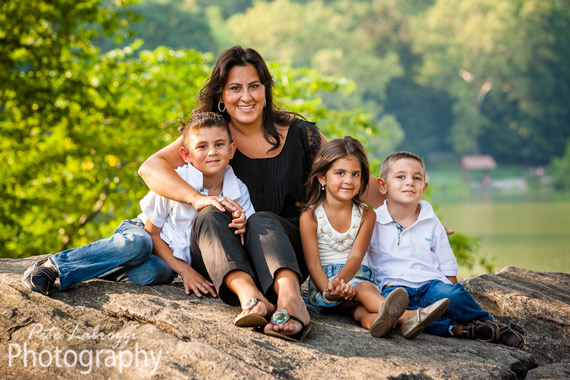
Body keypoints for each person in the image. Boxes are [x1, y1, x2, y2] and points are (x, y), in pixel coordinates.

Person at [138, 46, 388, 342]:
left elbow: (349, 179)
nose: (246, 97)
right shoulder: (213, 136)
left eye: (254, 86)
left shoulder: (301, 134)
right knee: (208, 213)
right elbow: (150, 168)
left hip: (287, 253)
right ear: (221, 96)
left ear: (266, 90)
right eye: (235, 88)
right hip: (222, 253)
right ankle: (251, 299)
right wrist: (197, 198)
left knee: (261, 220)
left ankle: (291, 302)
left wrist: (408, 206)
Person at [22, 113, 254, 300]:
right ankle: (52, 266)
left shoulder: (238, 189)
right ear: (186, 155)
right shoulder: (176, 181)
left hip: (164, 260)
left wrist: (242, 225)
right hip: (140, 233)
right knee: (139, 244)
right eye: (202, 146)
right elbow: (152, 234)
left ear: (231, 150)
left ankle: (96, 266)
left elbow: (246, 231)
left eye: (219, 144)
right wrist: (185, 270)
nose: (212, 152)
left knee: (158, 272)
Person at [367, 151, 524, 347]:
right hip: (395, 289)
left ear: (424, 188)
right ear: (383, 185)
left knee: (453, 297)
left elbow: (446, 262)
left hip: (430, 284)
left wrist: (450, 288)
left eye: (416, 178)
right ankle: (463, 330)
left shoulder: (431, 222)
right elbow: (364, 258)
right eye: (400, 177)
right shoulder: (373, 220)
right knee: (410, 315)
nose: (409, 182)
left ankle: (490, 323)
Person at [300, 136, 414, 338]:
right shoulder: (309, 217)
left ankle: (376, 323)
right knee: (363, 291)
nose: (348, 181)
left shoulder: (367, 215)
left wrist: (343, 284)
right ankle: (407, 317)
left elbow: (355, 257)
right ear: (322, 178)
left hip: (356, 277)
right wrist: (330, 289)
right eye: (340, 173)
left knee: (360, 308)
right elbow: (313, 265)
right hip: (324, 286)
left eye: (355, 174)